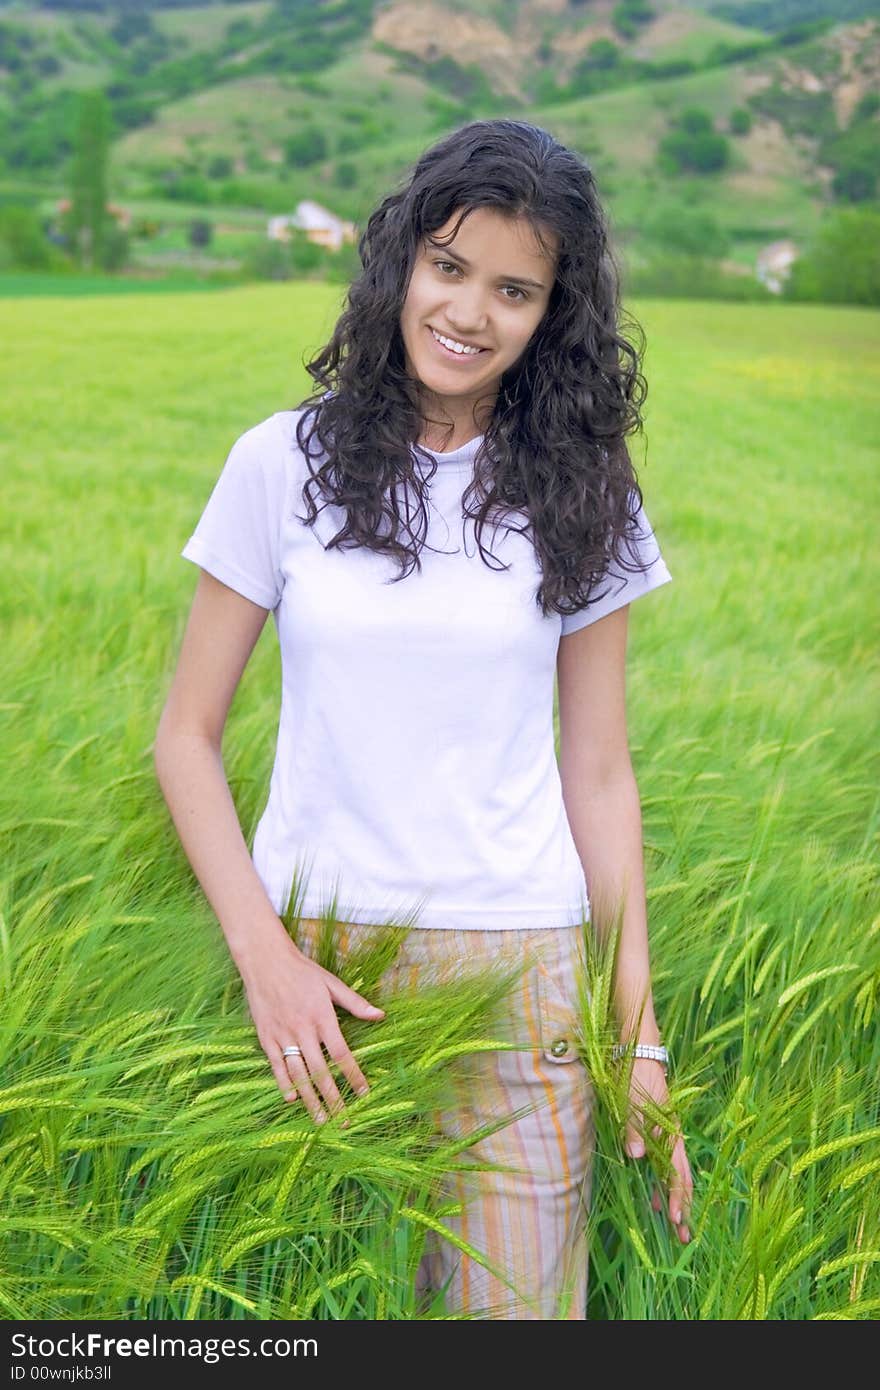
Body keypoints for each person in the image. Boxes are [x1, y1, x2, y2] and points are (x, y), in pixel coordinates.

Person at [155, 118, 693, 1320]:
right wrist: (266, 961)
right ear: (401, 261)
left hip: (522, 980)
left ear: (551, 313)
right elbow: (184, 736)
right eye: (448, 266)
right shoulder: (276, 463)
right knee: (308, 1315)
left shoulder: (586, 491)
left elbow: (598, 775)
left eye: (514, 289)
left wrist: (638, 1039)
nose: (469, 311)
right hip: (317, 967)